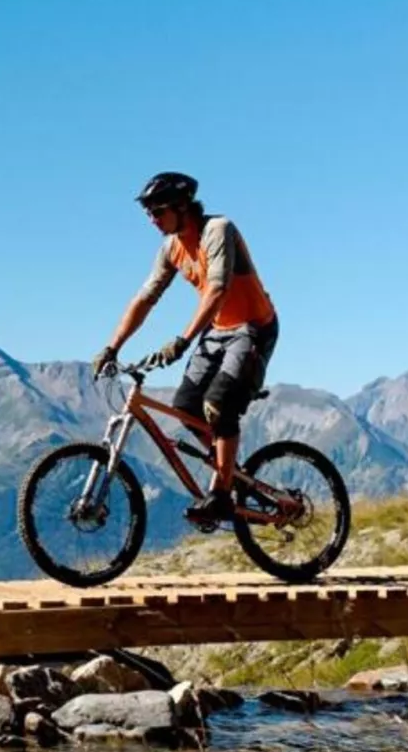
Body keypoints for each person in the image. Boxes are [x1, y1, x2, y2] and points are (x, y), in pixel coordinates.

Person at [90, 172, 280, 522]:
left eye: (157, 211)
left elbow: (218, 289)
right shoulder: (171, 248)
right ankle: (231, 473)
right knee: (186, 408)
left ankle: (221, 494)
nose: (152, 219)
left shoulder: (217, 230)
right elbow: (145, 299)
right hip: (218, 330)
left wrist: (182, 340)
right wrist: (112, 347)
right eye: (148, 213)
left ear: (181, 207)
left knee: (219, 405)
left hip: (252, 328)